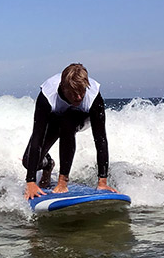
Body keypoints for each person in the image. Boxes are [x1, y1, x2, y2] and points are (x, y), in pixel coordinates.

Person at [22, 63, 117, 200]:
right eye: (74, 93)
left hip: (80, 118)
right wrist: (30, 181)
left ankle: (63, 181)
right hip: (54, 119)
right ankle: (48, 164)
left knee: (68, 121)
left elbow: (101, 140)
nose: (79, 97)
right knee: (28, 161)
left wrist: (102, 182)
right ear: (63, 87)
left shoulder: (93, 98)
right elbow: (38, 137)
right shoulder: (47, 96)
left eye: (82, 91)